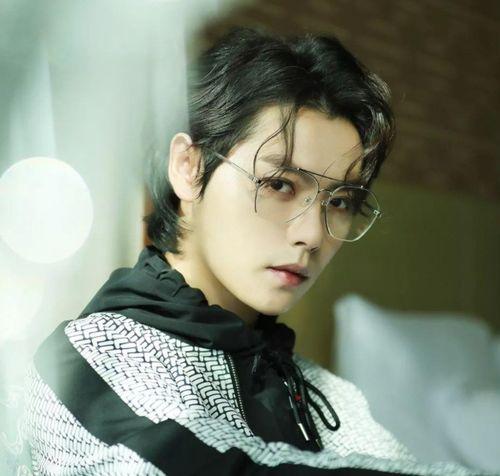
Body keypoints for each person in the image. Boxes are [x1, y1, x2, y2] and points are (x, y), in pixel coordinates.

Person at [21, 26, 478, 476]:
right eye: (279, 184)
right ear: (188, 167)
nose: (312, 235)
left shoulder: (330, 397)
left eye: (339, 202)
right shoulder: (87, 362)